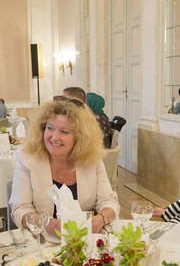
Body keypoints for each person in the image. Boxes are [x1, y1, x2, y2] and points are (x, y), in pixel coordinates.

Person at [9, 99, 119, 237]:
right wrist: (47, 224)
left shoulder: (92, 161)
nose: (54, 137)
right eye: (50, 128)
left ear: (79, 137)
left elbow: (109, 201)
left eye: (64, 132)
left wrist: (100, 219)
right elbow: (20, 209)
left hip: (82, 240)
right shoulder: (27, 159)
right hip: (42, 241)